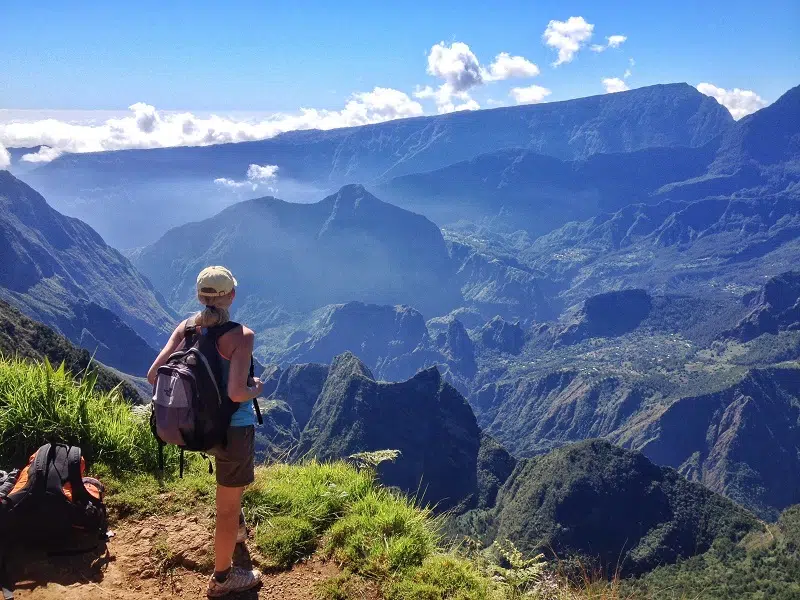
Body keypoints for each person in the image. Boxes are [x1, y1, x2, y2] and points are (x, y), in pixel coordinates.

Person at [147, 266, 264, 597]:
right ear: (232, 295)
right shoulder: (242, 336)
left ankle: (236, 531)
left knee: (230, 499)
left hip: (197, 428)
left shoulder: (185, 329)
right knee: (226, 508)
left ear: (200, 296)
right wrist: (257, 387)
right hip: (231, 432)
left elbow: (154, 375)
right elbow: (236, 394)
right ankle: (223, 579)